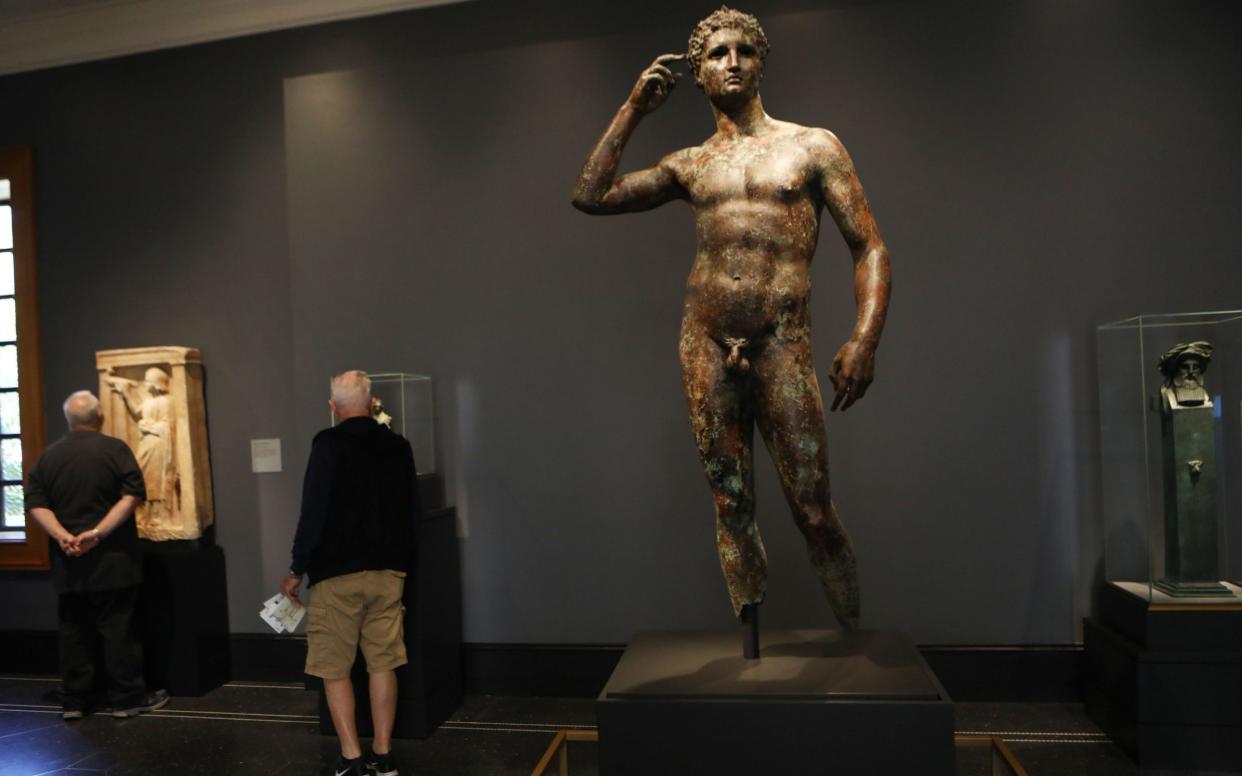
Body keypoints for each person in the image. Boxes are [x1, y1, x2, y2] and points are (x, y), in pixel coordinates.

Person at [572, 7, 892, 628]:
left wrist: (865, 337)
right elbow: (590, 194)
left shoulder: (811, 145)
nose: (733, 62)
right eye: (717, 53)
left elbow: (869, 245)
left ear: (762, 61)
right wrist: (633, 107)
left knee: (813, 509)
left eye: (745, 50)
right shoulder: (690, 164)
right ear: (698, 72)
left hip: (781, 342)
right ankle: (750, 628)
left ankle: (854, 634)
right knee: (730, 501)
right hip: (705, 343)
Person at [283, 370, 420, 776]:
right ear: (372, 401)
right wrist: (408, 564)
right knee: (383, 663)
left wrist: (297, 568)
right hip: (389, 571)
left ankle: (351, 757)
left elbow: (314, 511)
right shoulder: (398, 446)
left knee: (334, 667)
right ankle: (383, 754)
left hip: (336, 576)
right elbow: (411, 512)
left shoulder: (327, 444)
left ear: (333, 406)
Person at [25, 390, 169, 719]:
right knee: (119, 630)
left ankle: (75, 701)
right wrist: (97, 534)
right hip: (113, 559)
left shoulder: (49, 457)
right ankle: (126, 699)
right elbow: (131, 496)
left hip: (68, 560)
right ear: (100, 416)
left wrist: (64, 536)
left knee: (73, 632)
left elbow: (35, 503)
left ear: (69, 420)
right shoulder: (115, 450)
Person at [105, 367, 177, 535]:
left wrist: (149, 426)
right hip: (146, 443)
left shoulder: (167, 401)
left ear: (155, 383)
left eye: (147, 379)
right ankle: (144, 516)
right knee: (143, 477)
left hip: (157, 444)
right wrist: (125, 392)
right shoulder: (148, 401)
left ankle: (158, 518)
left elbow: (168, 426)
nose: (145, 383)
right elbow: (136, 411)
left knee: (155, 480)